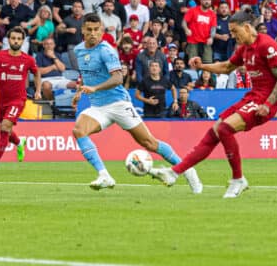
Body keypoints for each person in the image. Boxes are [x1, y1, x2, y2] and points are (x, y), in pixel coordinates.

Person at [149, 9, 277, 198]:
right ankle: (174, 172)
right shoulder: (244, 49)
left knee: (225, 129)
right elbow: (226, 67)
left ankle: (238, 179)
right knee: (215, 130)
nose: (233, 36)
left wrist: (268, 104)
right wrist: (201, 66)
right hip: (253, 96)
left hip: (266, 100)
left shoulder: (266, 45)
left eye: (234, 31)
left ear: (247, 28)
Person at [70, 13, 202, 192]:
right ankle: (104, 175)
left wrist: (95, 89)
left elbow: (118, 78)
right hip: (98, 107)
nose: (93, 33)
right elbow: (86, 75)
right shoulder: (79, 50)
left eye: (96, 30)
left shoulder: (106, 50)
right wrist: (79, 92)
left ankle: (188, 171)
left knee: (149, 143)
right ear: (83, 31)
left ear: (102, 31)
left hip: (119, 104)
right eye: (89, 30)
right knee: (79, 130)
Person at [0, 27, 42, 173]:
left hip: (18, 100)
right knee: (6, 130)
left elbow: (37, 73)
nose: (16, 41)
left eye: (19, 39)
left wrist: (38, 91)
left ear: (23, 41)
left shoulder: (28, 59)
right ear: (8, 40)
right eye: (13, 38)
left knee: (4, 127)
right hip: (1, 100)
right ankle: (20, 142)